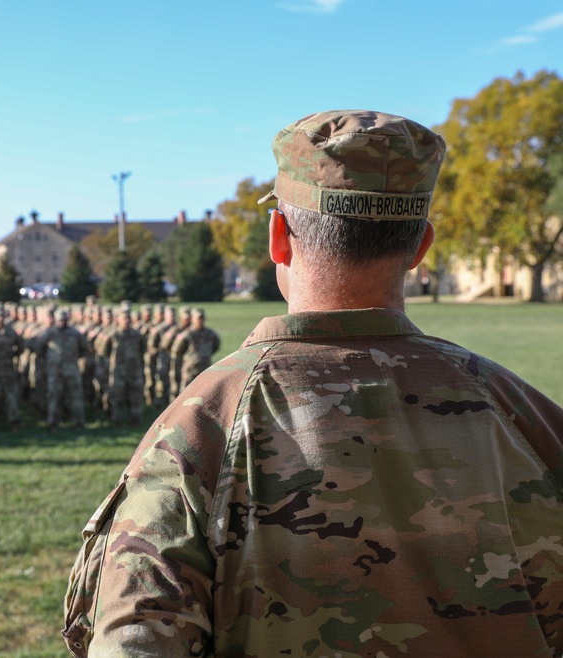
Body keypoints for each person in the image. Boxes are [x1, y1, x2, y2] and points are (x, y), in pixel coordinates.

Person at [63, 110, 563, 657]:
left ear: (278, 237)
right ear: (420, 246)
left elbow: (135, 640)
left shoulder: (200, 427)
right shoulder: (527, 416)